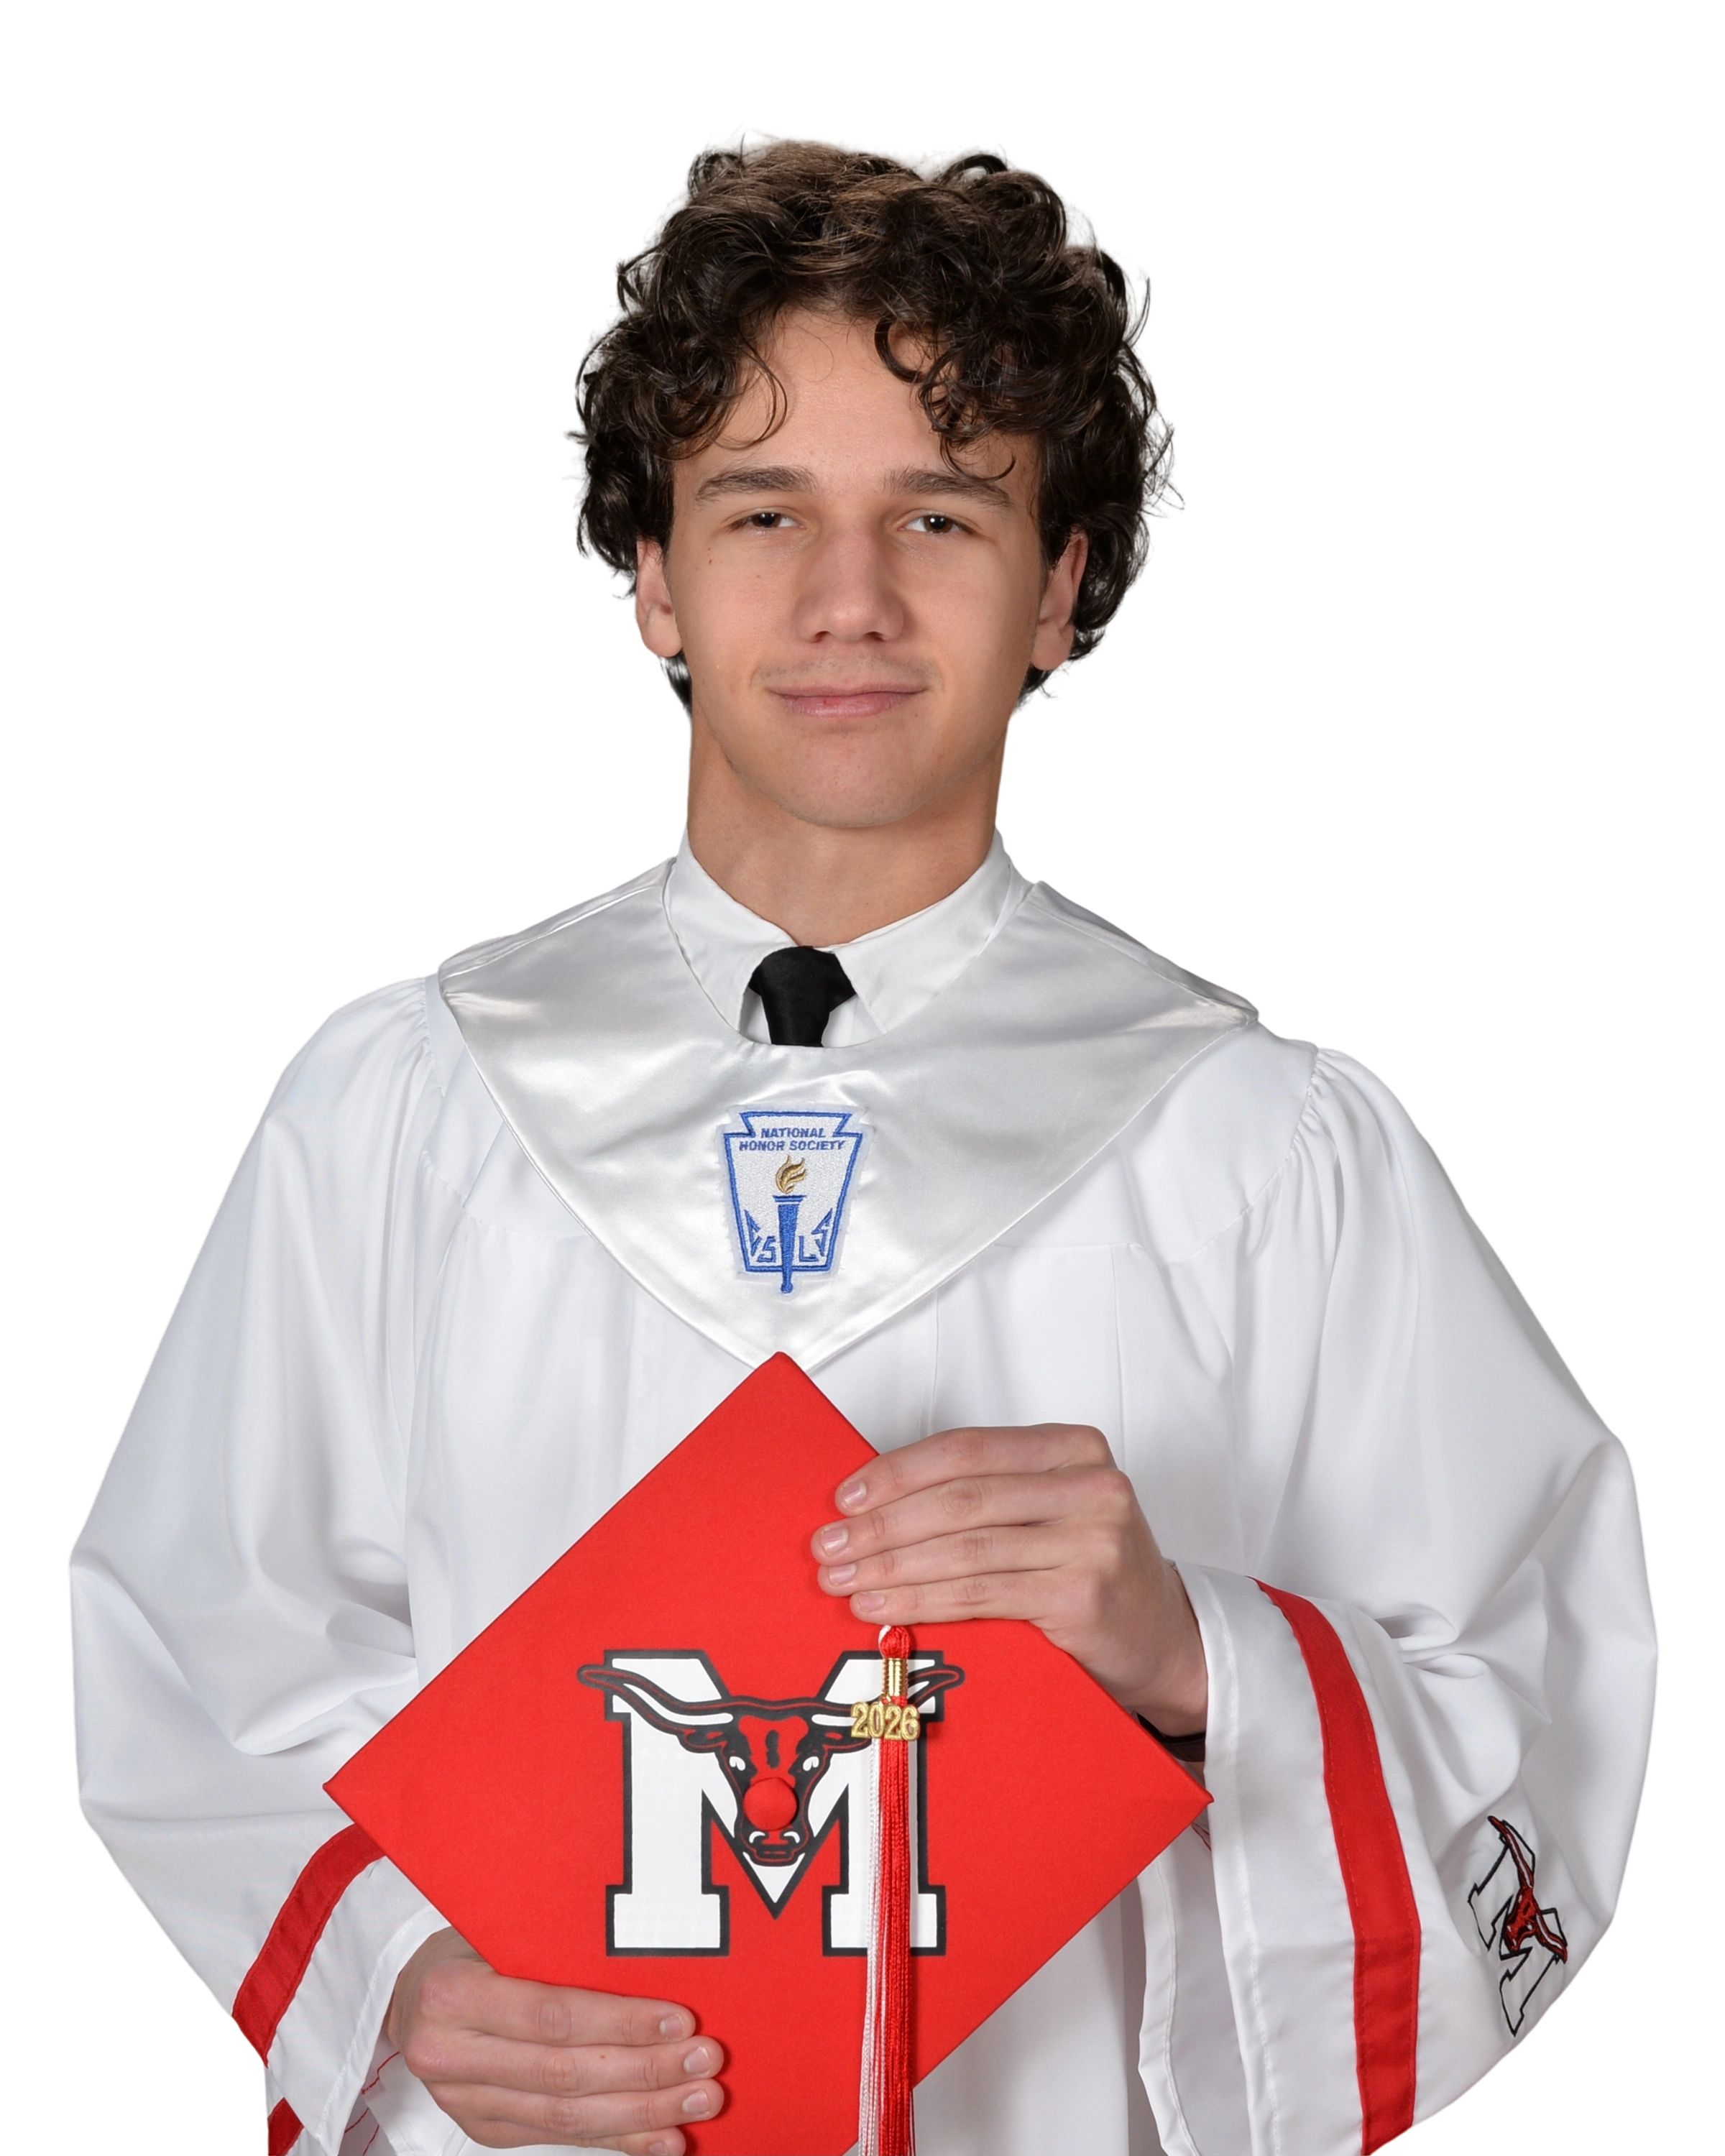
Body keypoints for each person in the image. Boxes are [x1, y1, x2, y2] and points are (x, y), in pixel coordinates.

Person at [68, 125, 1657, 2156]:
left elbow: (1537, 1702)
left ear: (1057, 588)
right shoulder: (409, 1106)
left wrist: (1198, 1652)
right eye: (763, 513)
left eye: (939, 514)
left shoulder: (1263, 1152)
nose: (848, 602)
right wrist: (389, 1974)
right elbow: (193, 1644)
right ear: (653, 577)